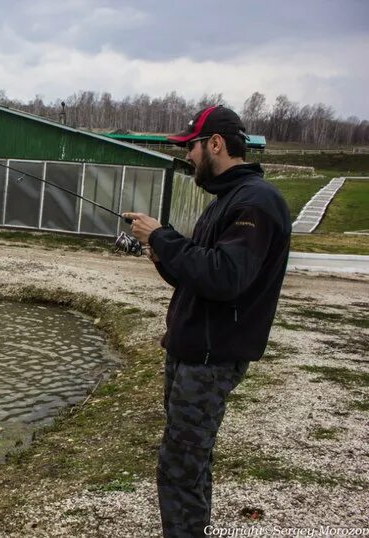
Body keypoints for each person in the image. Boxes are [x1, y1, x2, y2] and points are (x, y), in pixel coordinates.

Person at [122, 105, 291, 537]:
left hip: (211, 358)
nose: (188, 156)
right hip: (190, 349)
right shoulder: (225, 202)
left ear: (215, 143)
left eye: (191, 147)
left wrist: (162, 235)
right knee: (191, 459)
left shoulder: (257, 202)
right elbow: (194, 277)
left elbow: (226, 276)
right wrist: (161, 254)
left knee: (179, 464)